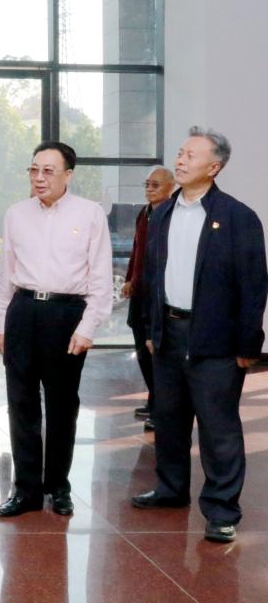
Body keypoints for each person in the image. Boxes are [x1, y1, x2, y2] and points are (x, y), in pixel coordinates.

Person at [132, 127, 267, 544]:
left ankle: (222, 510)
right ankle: (171, 489)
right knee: (169, 420)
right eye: (180, 152)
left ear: (214, 167)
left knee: (217, 427)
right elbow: (153, 277)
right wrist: (152, 329)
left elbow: (253, 286)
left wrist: (249, 345)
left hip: (216, 340)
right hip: (168, 333)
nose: (181, 160)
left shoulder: (237, 217)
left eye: (191, 155)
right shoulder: (163, 214)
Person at [0, 141, 112, 518]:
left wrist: (88, 326)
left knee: (62, 405)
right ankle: (26, 489)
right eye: (34, 170)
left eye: (48, 171)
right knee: (21, 404)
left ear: (68, 175)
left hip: (66, 314)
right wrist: (2, 325)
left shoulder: (90, 214)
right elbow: (5, 276)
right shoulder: (16, 214)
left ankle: (58, 485)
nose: (39, 178)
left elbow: (101, 276)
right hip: (23, 310)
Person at [122, 166, 175, 432]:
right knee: (142, 350)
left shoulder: (173, 215)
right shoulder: (144, 213)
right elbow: (136, 249)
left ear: (171, 187)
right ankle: (154, 399)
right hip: (140, 293)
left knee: (156, 353)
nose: (149, 189)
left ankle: (162, 409)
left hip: (159, 296)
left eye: (155, 185)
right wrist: (130, 278)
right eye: (147, 184)